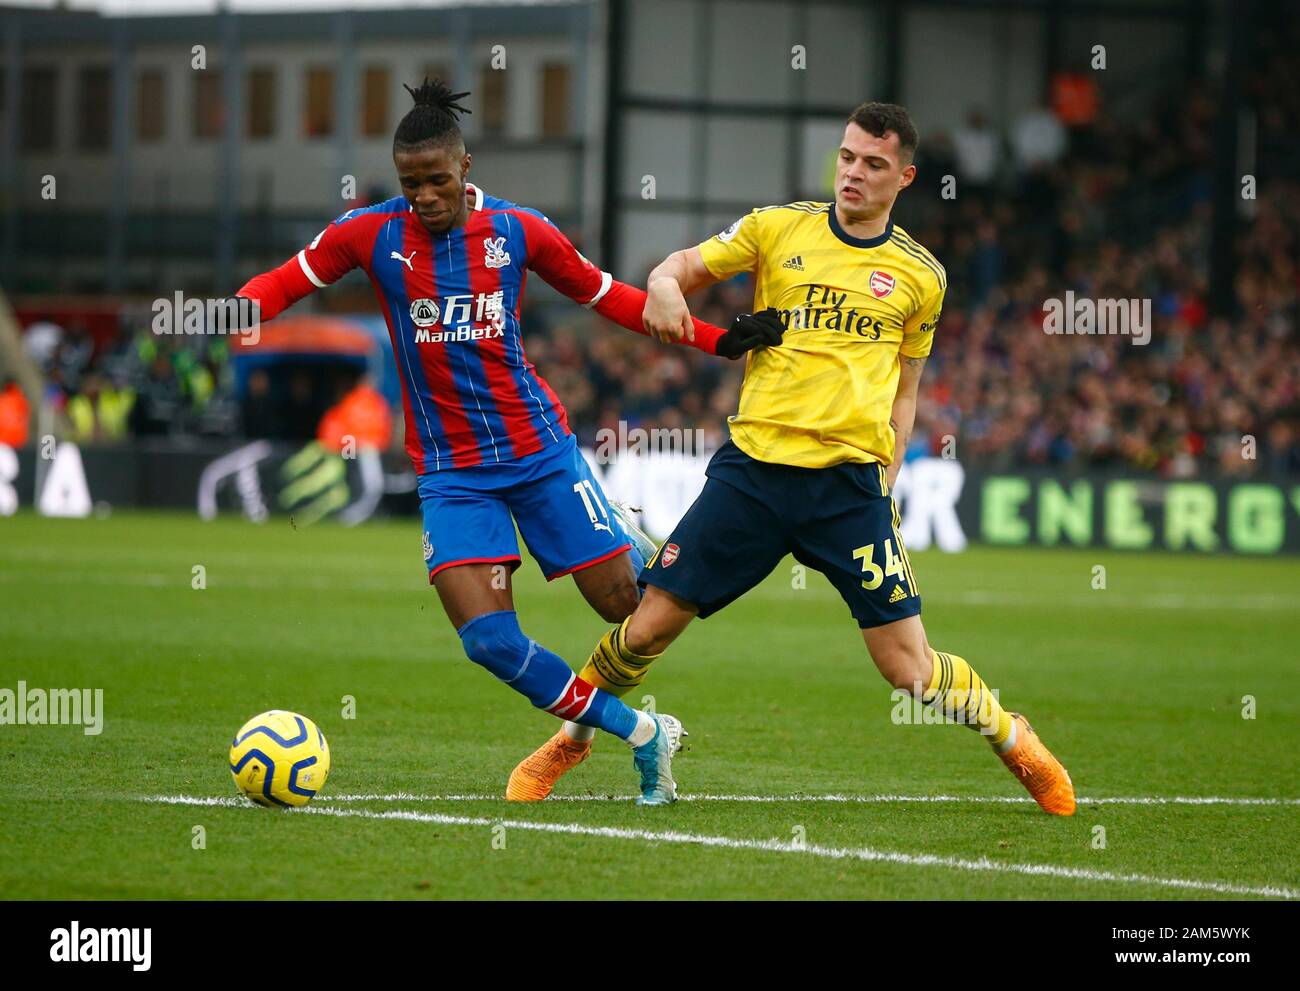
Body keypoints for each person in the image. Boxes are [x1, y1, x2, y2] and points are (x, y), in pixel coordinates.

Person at [510, 102, 1076, 815]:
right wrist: (659, 283)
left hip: (847, 489)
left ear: (904, 176)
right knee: (650, 621)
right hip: (753, 473)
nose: (853, 173)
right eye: (846, 157)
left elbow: (907, 391)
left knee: (907, 668)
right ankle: (572, 739)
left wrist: (887, 480)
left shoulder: (920, 276)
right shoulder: (778, 227)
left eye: (873, 164)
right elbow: (683, 265)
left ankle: (1011, 736)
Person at [231, 79, 782, 805]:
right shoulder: (368, 233)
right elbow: (286, 281)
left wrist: (718, 342)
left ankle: (619, 529)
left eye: (435, 180)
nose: (422, 196)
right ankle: (643, 733)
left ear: (465, 167)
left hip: (539, 452)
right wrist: (227, 310)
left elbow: (606, 294)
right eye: (409, 184)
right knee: (488, 642)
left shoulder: (520, 232)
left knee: (625, 608)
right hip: (453, 475)